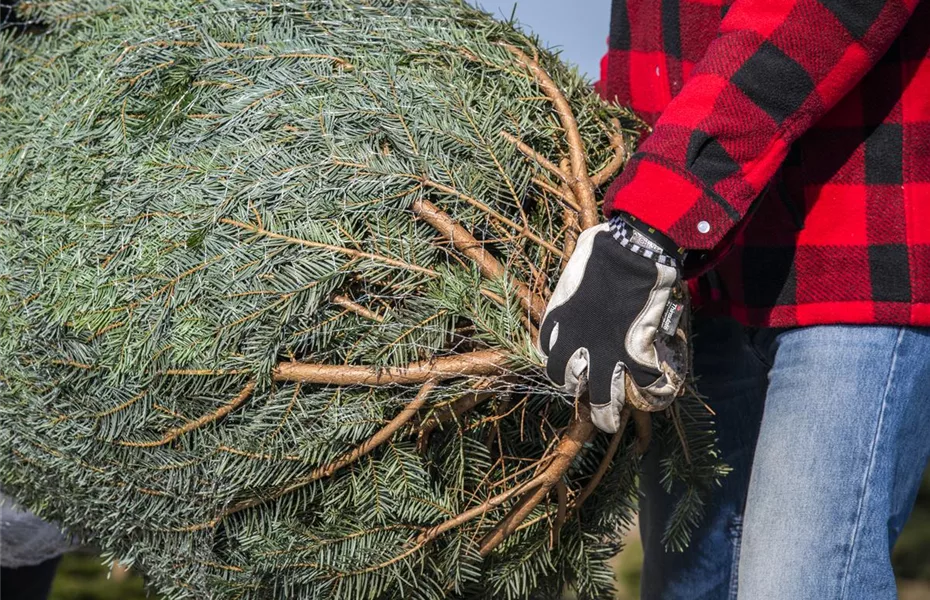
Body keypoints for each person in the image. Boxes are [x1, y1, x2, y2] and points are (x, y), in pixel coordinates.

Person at [537, 0, 930, 598]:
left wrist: (651, 220)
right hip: (697, 283)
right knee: (686, 586)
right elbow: (648, 41)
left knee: (798, 583)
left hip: (855, 252)